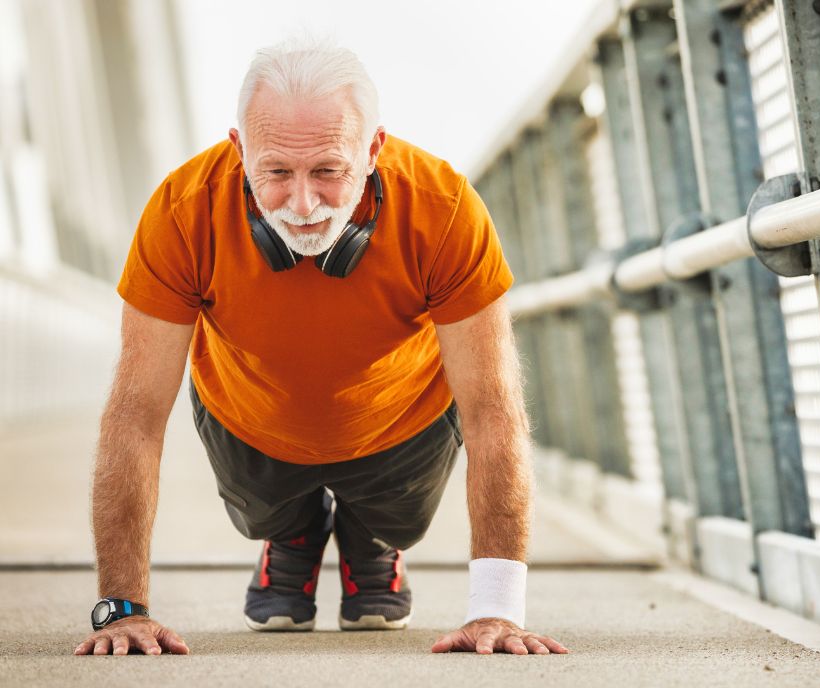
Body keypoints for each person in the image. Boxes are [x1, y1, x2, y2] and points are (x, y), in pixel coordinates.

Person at [73, 39, 567, 657]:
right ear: (238, 150)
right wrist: (121, 609)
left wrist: (497, 610)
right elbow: (135, 415)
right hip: (249, 416)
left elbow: (494, 410)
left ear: (373, 151)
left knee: (397, 519)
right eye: (275, 172)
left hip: (401, 421)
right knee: (268, 513)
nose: (303, 206)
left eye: (329, 171)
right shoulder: (181, 211)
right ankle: (290, 533)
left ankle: (371, 536)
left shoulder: (444, 211)